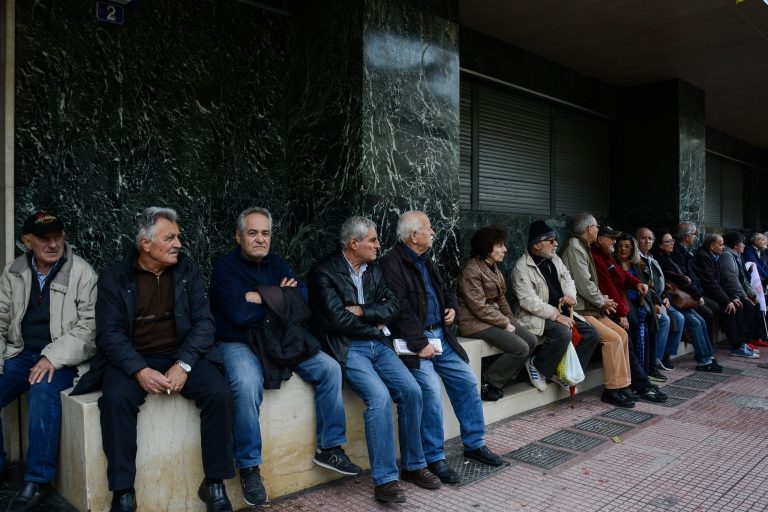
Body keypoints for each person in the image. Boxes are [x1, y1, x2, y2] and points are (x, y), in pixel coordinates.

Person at [73, 207, 235, 512]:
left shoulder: (188, 271)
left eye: (178, 236)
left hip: (180, 354)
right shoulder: (114, 277)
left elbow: (205, 323)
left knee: (219, 393)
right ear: (145, 244)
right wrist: (138, 370)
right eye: (170, 237)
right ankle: (123, 491)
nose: (178, 243)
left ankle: (214, 482)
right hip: (134, 358)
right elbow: (109, 333)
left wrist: (184, 363)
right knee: (115, 400)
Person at [208, 207, 360, 507]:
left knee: (330, 368)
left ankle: (330, 448)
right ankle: (250, 468)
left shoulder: (277, 263)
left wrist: (260, 295)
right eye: (252, 233)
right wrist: (278, 296)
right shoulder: (225, 268)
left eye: (265, 233)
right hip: (238, 341)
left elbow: (301, 300)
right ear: (238, 236)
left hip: (281, 338)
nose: (260, 239)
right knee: (246, 383)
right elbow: (239, 314)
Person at [309, 216, 439, 504]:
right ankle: (385, 481)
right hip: (347, 347)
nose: (379, 244)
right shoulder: (323, 272)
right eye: (373, 240)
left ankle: (414, 466)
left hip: (378, 345)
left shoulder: (374, 270)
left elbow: (393, 306)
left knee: (412, 391)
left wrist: (363, 311)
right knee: (379, 398)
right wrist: (372, 322)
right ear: (354, 243)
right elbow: (335, 319)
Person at [380, 212, 504, 485]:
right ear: (414, 235)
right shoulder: (392, 264)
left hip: (441, 336)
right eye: (429, 228)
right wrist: (419, 343)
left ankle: (474, 442)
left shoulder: (426, 260)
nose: (434, 232)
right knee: (431, 391)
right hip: (415, 342)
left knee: (468, 381)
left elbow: (445, 290)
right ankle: (435, 457)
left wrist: (452, 307)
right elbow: (399, 309)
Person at [0, 212, 97, 512]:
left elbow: (90, 326)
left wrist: (52, 357)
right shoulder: (14, 271)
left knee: (43, 389)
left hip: (64, 357)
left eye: (58, 236)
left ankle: (38, 479)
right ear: (27, 242)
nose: (54, 243)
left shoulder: (81, 272)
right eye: (45, 238)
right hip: (19, 353)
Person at [510, 220, 600, 391]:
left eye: (555, 239)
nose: (555, 243)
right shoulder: (521, 267)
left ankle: (561, 371)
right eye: (550, 240)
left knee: (591, 334)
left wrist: (570, 296)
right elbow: (528, 300)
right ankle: (537, 364)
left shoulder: (555, 259)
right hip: (536, 316)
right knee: (563, 333)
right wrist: (556, 315)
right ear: (536, 245)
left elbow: (568, 279)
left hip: (563, 312)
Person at [558, 213, 634, 408]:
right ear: (589, 229)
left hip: (591, 307)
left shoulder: (583, 246)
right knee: (612, 339)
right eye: (597, 227)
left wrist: (602, 300)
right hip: (581, 310)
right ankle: (611, 390)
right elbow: (583, 284)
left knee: (622, 335)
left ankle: (623, 386)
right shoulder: (575, 248)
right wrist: (602, 300)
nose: (598, 230)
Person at [456, 225, 539, 399]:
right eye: (500, 246)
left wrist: (511, 320)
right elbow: (479, 307)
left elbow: (501, 298)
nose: (505, 249)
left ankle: (503, 378)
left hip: (493, 319)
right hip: (474, 323)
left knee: (531, 339)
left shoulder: (493, 267)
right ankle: (489, 381)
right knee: (520, 348)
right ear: (487, 247)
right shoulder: (471, 270)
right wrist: (504, 323)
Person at [589, 227, 667, 403]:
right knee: (625, 340)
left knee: (637, 334)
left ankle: (634, 383)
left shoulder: (606, 255)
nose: (614, 244)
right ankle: (639, 385)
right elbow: (608, 287)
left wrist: (637, 282)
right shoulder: (596, 255)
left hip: (618, 307)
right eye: (611, 239)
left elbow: (622, 276)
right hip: (607, 308)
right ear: (599, 239)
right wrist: (622, 313)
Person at [651, 229, 721, 372]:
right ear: (659, 244)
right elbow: (677, 280)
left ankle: (708, 357)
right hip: (673, 299)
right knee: (694, 322)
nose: (671, 244)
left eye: (672, 241)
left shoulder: (668, 257)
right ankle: (704, 360)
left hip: (677, 298)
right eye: (667, 241)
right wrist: (696, 294)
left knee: (700, 320)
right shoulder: (661, 259)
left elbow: (682, 277)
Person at [694, 233, 758, 359]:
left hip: (714, 292)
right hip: (705, 293)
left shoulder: (714, 255)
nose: (723, 247)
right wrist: (727, 300)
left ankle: (741, 343)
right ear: (712, 246)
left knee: (739, 303)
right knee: (730, 308)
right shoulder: (704, 256)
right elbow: (711, 284)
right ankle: (736, 346)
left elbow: (721, 281)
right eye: (721, 244)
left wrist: (732, 297)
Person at [614, 233, 668, 383]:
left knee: (654, 322)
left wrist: (657, 302)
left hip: (642, 303)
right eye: (619, 246)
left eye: (627, 247)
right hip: (625, 305)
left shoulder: (638, 265)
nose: (623, 249)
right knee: (638, 324)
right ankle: (641, 371)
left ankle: (651, 367)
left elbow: (649, 285)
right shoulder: (613, 265)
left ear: (633, 249)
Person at [635, 227, 685, 371]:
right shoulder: (636, 259)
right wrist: (657, 301)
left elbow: (660, 283)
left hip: (659, 298)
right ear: (637, 240)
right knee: (665, 319)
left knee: (680, 318)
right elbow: (645, 285)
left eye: (650, 238)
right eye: (644, 238)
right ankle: (655, 359)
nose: (647, 241)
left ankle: (665, 355)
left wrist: (665, 297)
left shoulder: (651, 259)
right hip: (646, 300)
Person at [671, 222, 719, 342]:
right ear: (686, 237)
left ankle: (707, 346)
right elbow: (684, 279)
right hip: (686, 294)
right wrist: (697, 295)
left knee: (716, 307)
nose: (695, 237)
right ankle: (703, 345)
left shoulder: (686, 251)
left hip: (695, 291)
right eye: (693, 234)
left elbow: (694, 276)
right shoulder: (678, 253)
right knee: (708, 313)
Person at [720, 231, 764, 349]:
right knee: (748, 306)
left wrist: (752, 295)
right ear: (735, 245)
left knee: (758, 304)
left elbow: (743, 279)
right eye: (742, 243)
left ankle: (756, 338)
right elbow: (732, 280)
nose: (744, 245)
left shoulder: (737, 256)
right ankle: (745, 340)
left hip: (739, 292)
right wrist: (745, 296)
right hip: (731, 293)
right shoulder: (726, 256)